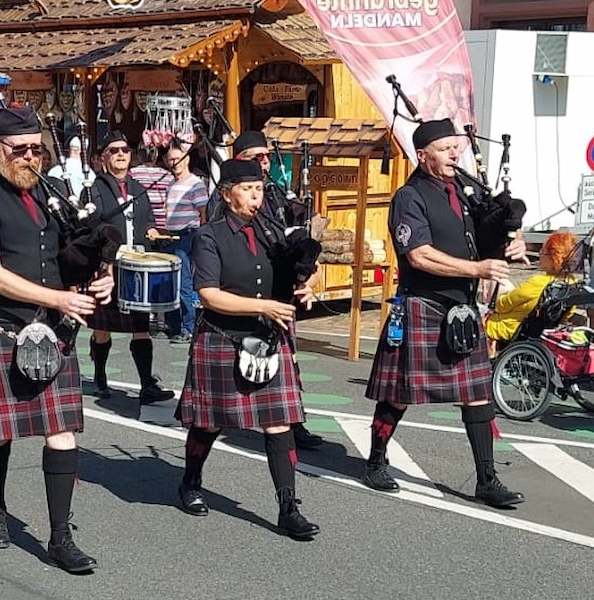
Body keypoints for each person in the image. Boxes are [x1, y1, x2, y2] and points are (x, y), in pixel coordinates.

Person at [0, 106, 113, 573]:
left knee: (61, 431)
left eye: (35, 149)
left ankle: (60, 535)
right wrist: (59, 298)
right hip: (1, 327)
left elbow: (79, 249)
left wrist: (101, 276)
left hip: (52, 330)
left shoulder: (53, 193)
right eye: (19, 149)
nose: (29, 157)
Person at [362, 118, 528, 508]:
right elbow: (418, 255)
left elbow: (494, 232)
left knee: (476, 395)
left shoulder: (468, 190)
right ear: (423, 155)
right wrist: (477, 270)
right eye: (444, 148)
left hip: (463, 310)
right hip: (423, 306)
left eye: (457, 147)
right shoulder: (410, 196)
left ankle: (486, 479)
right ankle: (375, 460)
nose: (455, 154)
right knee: (398, 394)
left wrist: (513, 239)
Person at [175, 158, 320, 538]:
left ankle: (288, 507)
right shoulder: (210, 236)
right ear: (227, 194)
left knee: (279, 422)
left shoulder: (273, 233)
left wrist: (305, 286)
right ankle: (190, 481)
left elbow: (289, 274)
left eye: (258, 189)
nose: (255, 197)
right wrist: (264, 306)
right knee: (209, 421)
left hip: (268, 339)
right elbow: (208, 295)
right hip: (223, 337)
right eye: (246, 190)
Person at [207, 130, 324, 449]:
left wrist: (307, 279)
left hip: (279, 300)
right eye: (255, 157)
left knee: (290, 364)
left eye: (266, 156)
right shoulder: (222, 207)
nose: (263, 162)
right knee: (219, 406)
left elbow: (302, 249)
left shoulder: (279, 196)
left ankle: (292, 421)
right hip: (239, 305)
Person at [88, 131, 174, 403]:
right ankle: (100, 376)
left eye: (125, 149)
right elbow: (90, 226)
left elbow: (147, 219)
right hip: (106, 266)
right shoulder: (94, 189)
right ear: (103, 158)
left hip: (134, 266)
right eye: (114, 150)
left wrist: (151, 231)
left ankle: (147, 384)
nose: (121, 154)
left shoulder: (138, 189)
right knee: (102, 329)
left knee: (141, 327)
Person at [485, 230, 577, 342]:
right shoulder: (572, 282)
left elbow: (502, 306)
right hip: (542, 332)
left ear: (553, 258)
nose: (540, 255)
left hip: (509, 329)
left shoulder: (538, 282)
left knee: (499, 284)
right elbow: (568, 314)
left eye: (542, 251)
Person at [163, 141, 208, 343]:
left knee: (183, 283)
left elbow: (203, 214)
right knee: (170, 283)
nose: (174, 163)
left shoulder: (196, 184)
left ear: (187, 159)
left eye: (177, 159)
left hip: (188, 236)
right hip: (171, 236)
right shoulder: (170, 184)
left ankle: (188, 327)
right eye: (170, 159)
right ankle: (173, 325)